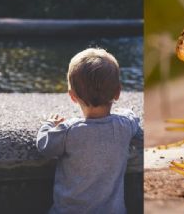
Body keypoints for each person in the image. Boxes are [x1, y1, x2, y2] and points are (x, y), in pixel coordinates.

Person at [36, 48, 142, 214]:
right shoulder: (124, 125)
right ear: (118, 92)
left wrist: (48, 125)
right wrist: (127, 113)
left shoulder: (69, 131)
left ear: (72, 96)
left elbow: (45, 146)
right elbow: (134, 121)